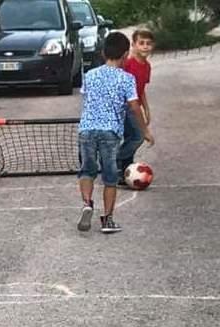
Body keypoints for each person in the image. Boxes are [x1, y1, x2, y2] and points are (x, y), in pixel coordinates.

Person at [76, 31, 154, 234]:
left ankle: (87, 203)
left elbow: (86, 98)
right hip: (109, 132)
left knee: (87, 171)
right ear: (125, 54)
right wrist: (144, 130)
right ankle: (107, 220)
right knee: (110, 177)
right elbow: (134, 106)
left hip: (86, 130)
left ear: (103, 53)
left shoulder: (90, 75)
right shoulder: (127, 78)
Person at [118, 29, 155, 185]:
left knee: (130, 137)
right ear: (133, 45)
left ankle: (123, 171)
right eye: (141, 43)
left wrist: (146, 108)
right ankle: (114, 160)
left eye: (148, 43)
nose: (145, 46)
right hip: (125, 106)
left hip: (136, 105)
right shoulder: (128, 64)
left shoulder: (147, 66)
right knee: (138, 136)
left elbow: (141, 89)